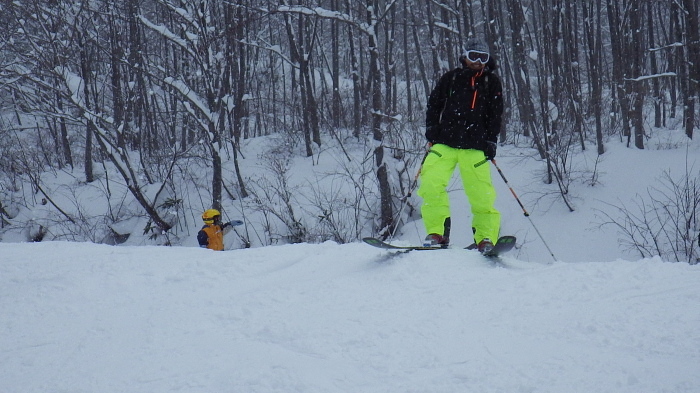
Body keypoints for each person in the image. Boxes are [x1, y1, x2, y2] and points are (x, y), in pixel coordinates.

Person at [418, 39, 504, 253]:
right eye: (473, 56)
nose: (478, 62)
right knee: (430, 183)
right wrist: (432, 130)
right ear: (464, 56)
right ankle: (437, 234)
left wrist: (491, 140)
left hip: (475, 146)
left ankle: (485, 238)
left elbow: (496, 114)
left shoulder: (491, 82)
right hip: (445, 142)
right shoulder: (451, 78)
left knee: (481, 194)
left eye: (483, 58)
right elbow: (434, 104)